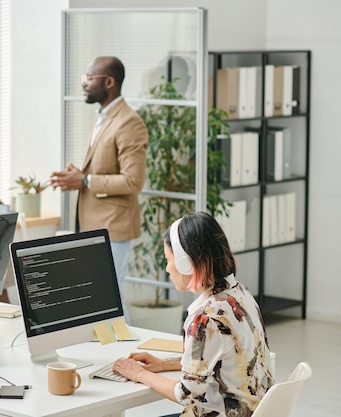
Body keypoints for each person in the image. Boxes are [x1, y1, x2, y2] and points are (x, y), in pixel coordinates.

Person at [112, 212, 274, 417]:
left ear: (185, 263)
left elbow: (188, 394)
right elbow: (216, 361)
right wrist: (163, 364)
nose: (167, 268)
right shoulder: (240, 295)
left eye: (168, 259)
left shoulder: (204, 318)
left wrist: (138, 373)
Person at [50, 56, 149, 323]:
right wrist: (78, 176)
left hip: (114, 225)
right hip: (92, 222)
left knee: (110, 298)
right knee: (98, 298)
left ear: (108, 82)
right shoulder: (101, 118)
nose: (84, 84)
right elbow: (100, 169)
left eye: (88, 78)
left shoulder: (129, 122)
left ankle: (128, 355)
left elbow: (133, 181)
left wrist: (85, 180)